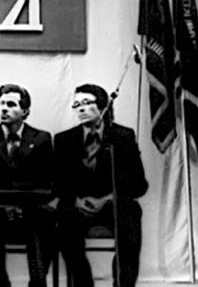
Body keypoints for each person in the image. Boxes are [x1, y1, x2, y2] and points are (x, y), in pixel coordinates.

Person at [53, 83, 148, 287]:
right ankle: (83, 283)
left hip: (113, 204)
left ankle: (123, 283)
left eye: (86, 103)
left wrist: (107, 199)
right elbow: (58, 183)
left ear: (103, 105)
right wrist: (77, 200)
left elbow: (139, 184)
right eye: (77, 105)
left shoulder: (123, 136)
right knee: (64, 214)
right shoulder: (64, 140)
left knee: (130, 213)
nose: (80, 108)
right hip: (79, 206)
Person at [0, 84, 55, 287]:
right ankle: (0, 280)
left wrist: (22, 203)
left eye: (11, 104)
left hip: (31, 208)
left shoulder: (41, 139)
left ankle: (38, 281)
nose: (4, 109)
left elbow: (46, 181)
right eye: (1, 103)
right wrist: (4, 203)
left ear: (25, 111)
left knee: (45, 218)